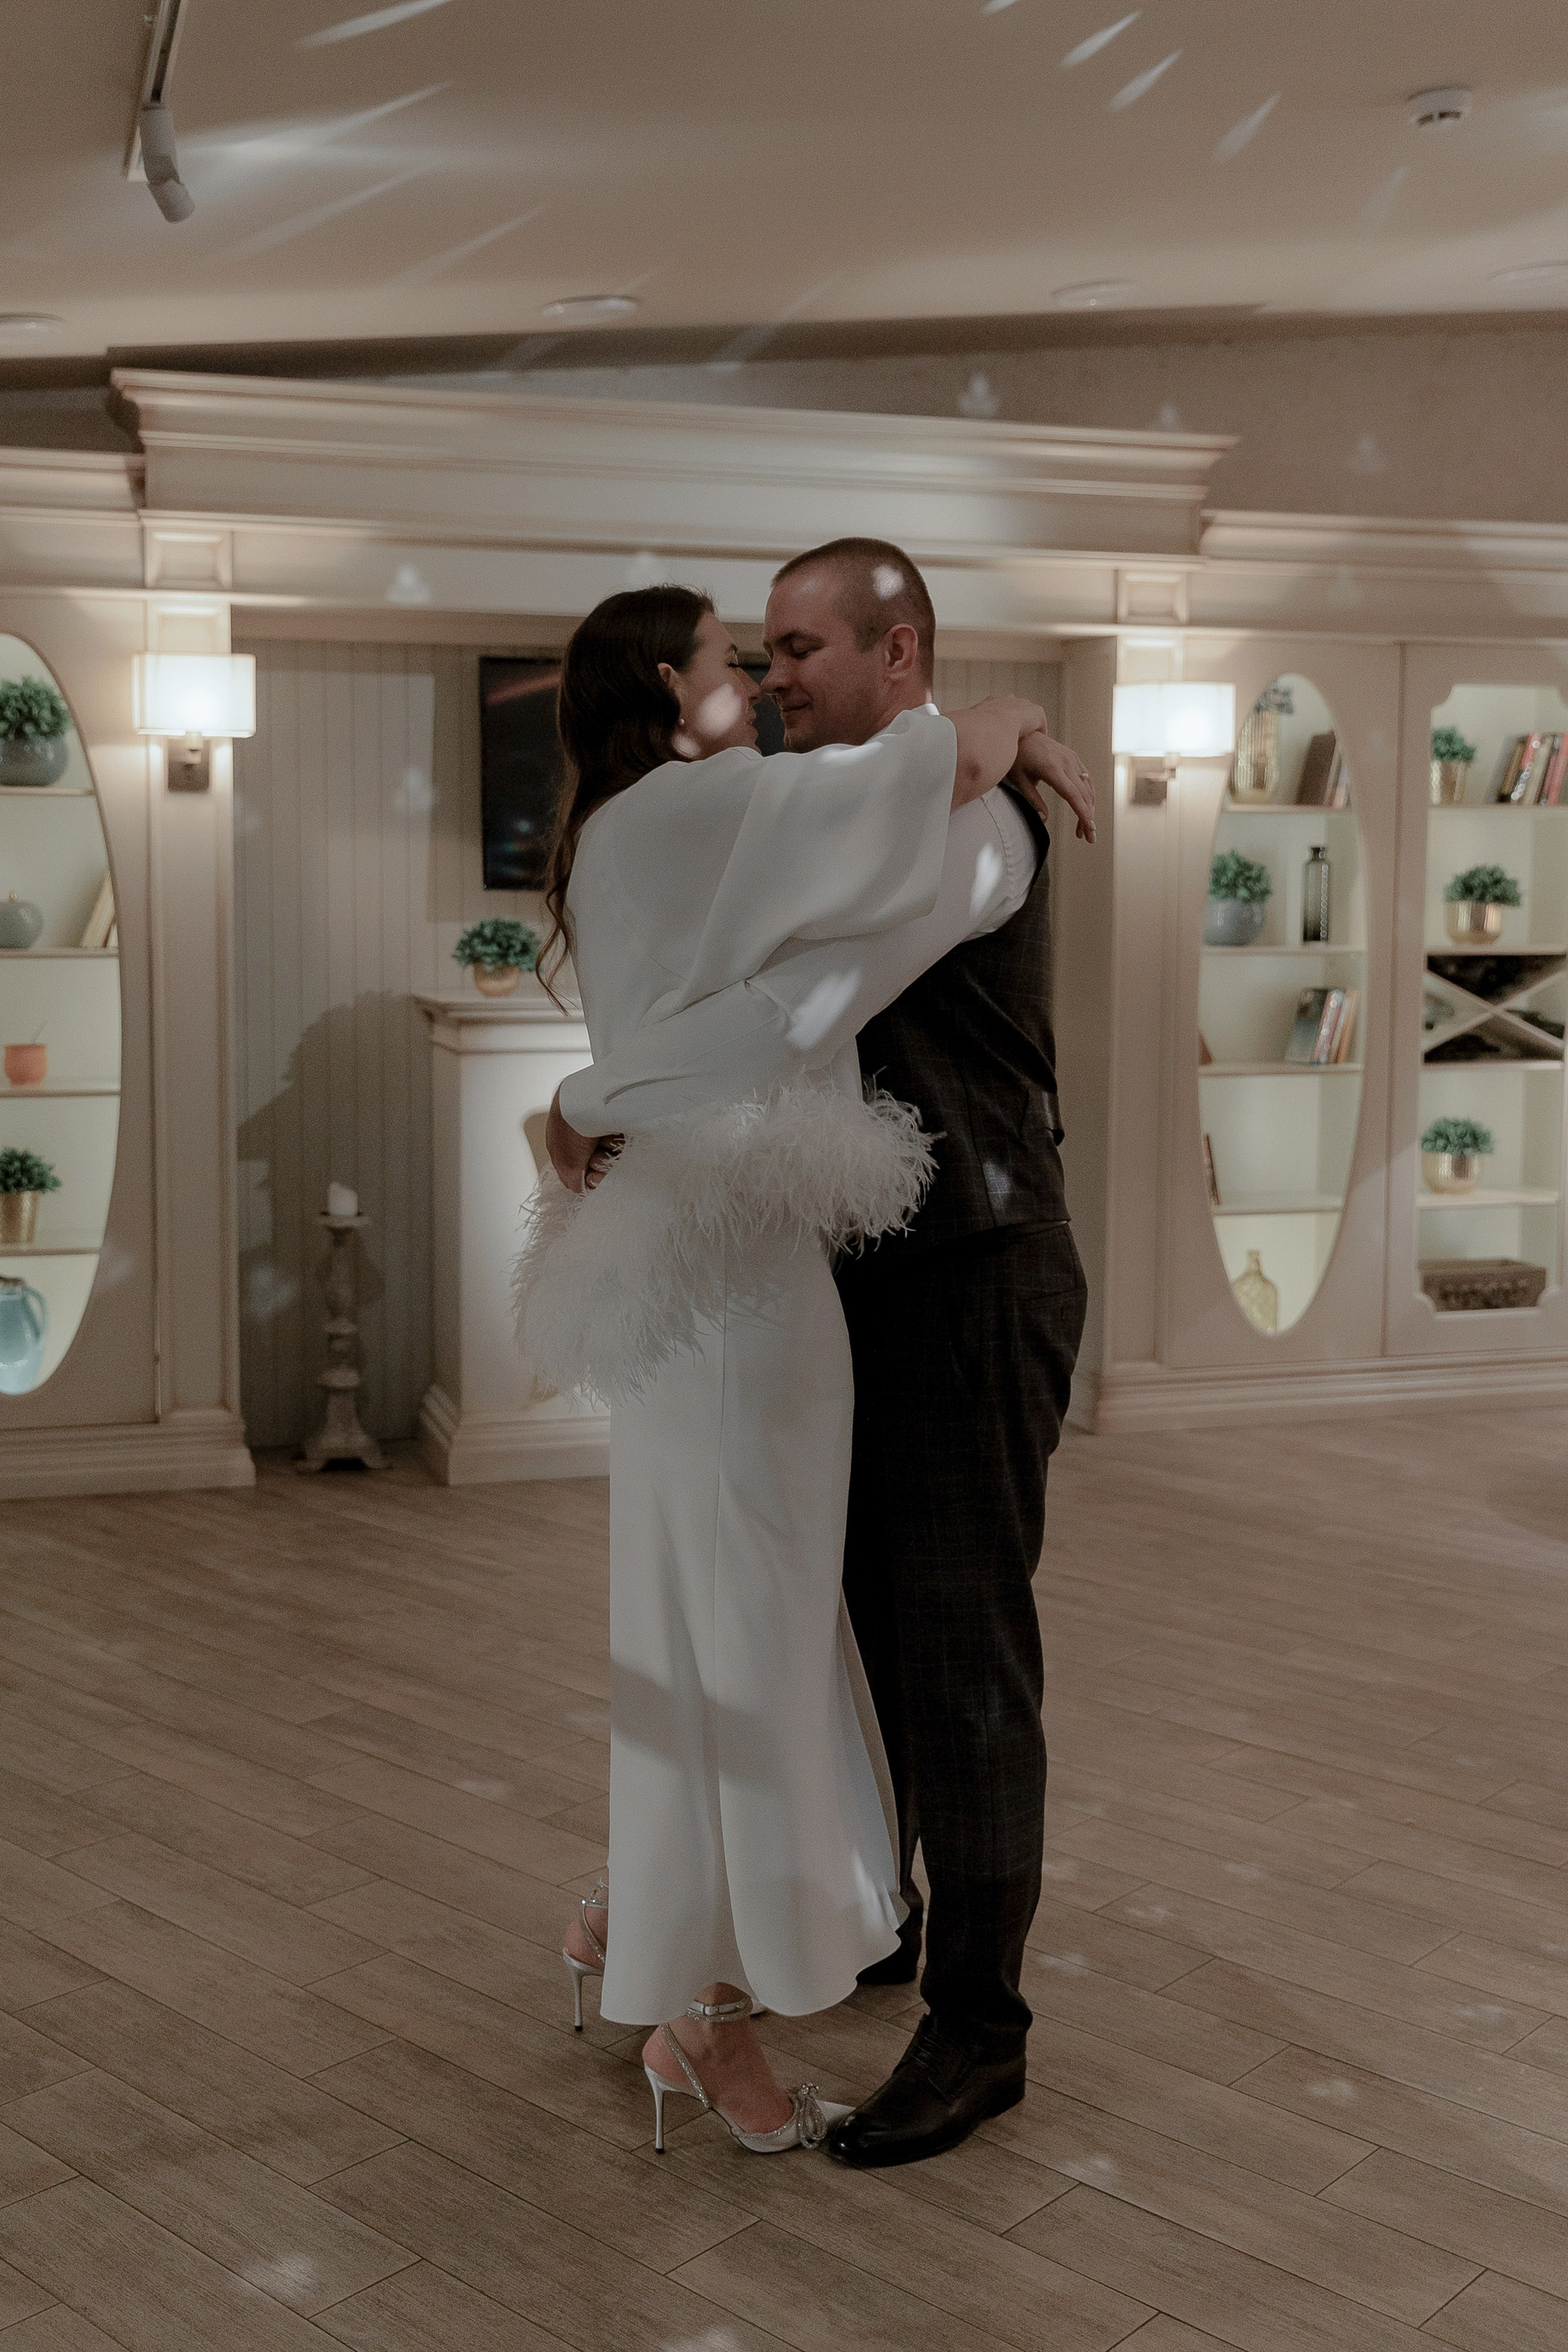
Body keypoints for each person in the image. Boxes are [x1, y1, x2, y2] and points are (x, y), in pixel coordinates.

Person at [547, 539, 1091, 2167]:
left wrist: (585, 1097)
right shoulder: (807, 815)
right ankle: (862, 1924)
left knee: (959, 1658)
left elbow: (805, 1003)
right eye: (762, 651)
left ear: (897, 653)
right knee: (849, 1642)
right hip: (860, 1277)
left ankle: (978, 2030)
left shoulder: (975, 825)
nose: (776, 677)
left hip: (975, 1272)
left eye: (802, 649)